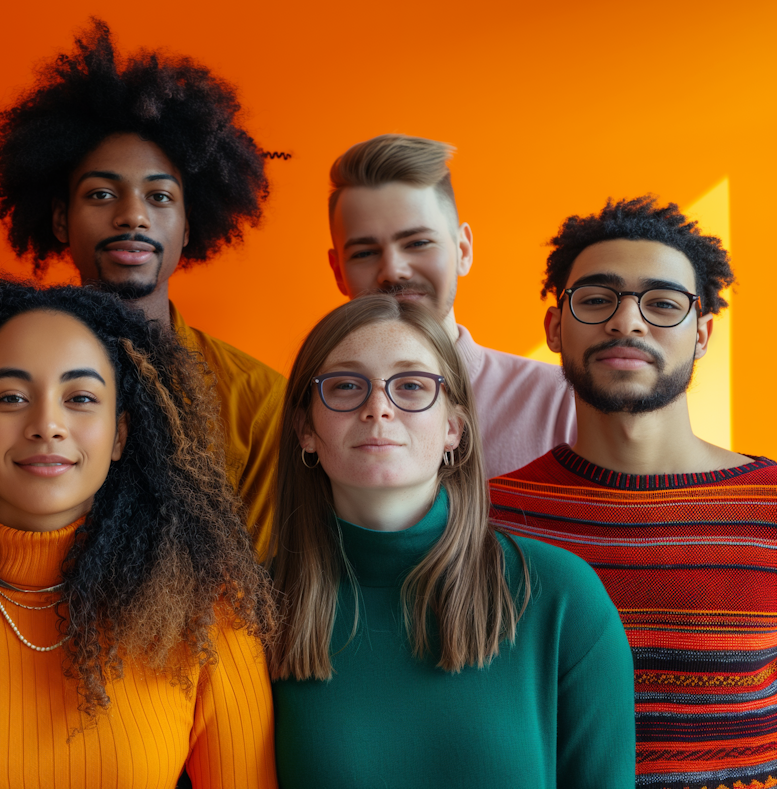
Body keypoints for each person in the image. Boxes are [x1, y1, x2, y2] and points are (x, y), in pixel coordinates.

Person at [0, 280, 278, 788]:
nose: (47, 424)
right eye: (12, 397)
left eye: (80, 397)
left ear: (120, 434)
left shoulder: (209, 612)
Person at [271, 294, 633, 786]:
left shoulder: (562, 598)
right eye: (346, 385)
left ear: (454, 430)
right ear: (304, 430)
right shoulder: (253, 611)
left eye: (413, 386)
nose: (378, 408)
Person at [489, 196, 776, 789]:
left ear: (701, 334)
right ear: (553, 327)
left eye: (663, 304)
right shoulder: (485, 518)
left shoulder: (770, 505)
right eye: (596, 299)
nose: (627, 322)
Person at [0, 19, 287, 558]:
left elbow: (259, 585)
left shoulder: (257, 404)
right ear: (59, 220)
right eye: (101, 194)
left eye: (161, 197)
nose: (132, 217)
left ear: (190, 225)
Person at [326, 134, 575, 478]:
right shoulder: (316, 410)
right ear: (338, 271)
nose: (393, 270)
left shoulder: (561, 400)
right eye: (365, 253)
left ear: (463, 250)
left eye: (418, 243)